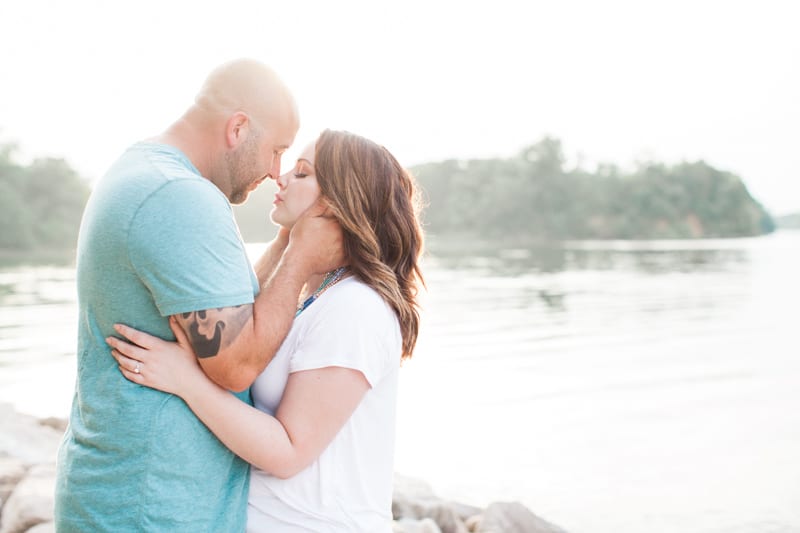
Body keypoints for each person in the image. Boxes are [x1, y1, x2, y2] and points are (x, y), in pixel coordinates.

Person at [54, 59, 343, 532]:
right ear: (238, 127)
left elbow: (221, 306)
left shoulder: (145, 171)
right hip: (150, 507)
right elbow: (234, 366)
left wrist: (282, 245)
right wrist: (300, 261)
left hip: (134, 497)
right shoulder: (179, 196)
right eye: (275, 151)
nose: (276, 172)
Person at [106, 129, 425, 532]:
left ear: (338, 203)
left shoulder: (355, 307)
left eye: (303, 173)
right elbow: (241, 330)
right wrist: (290, 244)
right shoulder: (315, 295)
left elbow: (289, 451)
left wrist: (185, 380)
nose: (282, 177)